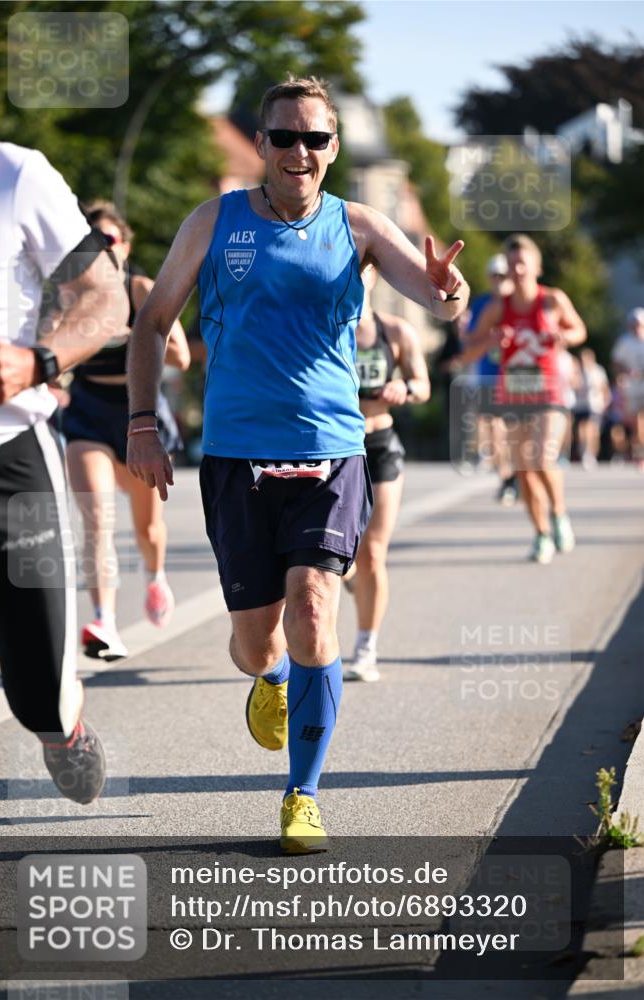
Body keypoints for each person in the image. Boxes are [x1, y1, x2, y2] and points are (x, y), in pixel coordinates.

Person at [126, 76, 468, 853]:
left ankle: (303, 794)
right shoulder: (215, 221)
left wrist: (450, 292)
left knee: (313, 606)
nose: (299, 152)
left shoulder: (358, 224)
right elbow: (151, 323)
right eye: (285, 137)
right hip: (236, 455)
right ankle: (270, 681)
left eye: (315, 138)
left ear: (333, 148)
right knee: (256, 642)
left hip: (331, 450)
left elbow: (436, 293)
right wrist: (143, 422)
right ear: (261, 143)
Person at [0, 136, 129, 797]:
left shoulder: (12, 174)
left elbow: (105, 298)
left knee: (41, 687)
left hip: (4, 456)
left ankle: (60, 728)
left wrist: (35, 362)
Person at [61, 202, 190, 660]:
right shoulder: (70, 296)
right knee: (97, 519)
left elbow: (182, 358)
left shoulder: (142, 290)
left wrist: (137, 330)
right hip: (89, 414)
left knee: (148, 528)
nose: (100, 249)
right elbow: (55, 365)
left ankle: (155, 578)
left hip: (141, 416)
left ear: (126, 246)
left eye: (108, 240)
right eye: (91, 242)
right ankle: (105, 623)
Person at [455, 234, 586, 564]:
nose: (516, 270)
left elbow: (578, 331)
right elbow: (470, 346)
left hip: (548, 392)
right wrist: (492, 340)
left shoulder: (552, 300)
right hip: (512, 392)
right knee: (524, 471)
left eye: (522, 264)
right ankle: (541, 534)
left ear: (536, 267)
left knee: (542, 459)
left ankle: (559, 515)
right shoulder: (499, 307)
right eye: (511, 265)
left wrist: (562, 335)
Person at [342, 263, 430, 682]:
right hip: (335, 449)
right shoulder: (323, 328)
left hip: (379, 445)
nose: (352, 276)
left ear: (374, 274)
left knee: (373, 550)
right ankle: (352, 576)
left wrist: (405, 389)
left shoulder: (395, 331)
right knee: (341, 560)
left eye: (360, 270)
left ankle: (365, 648)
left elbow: (423, 384)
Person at [465, 254, 517, 504]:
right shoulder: (482, 303)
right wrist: (491, 340)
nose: (499, 280)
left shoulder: (519, 303)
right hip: (488, 374)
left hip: (518, 377)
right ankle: (506, 477)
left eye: (503, 276)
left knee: (516, 431)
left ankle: (518, 474)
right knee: (494, 428)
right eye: (495, 276)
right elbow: (470, 340)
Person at [611, 307, 644, 470]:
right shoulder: (625, 342)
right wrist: (625, 373)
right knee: (637, 422)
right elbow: (616, 363)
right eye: (635, 324)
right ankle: (639, 452)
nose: (637, 327)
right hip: (632, 387)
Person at [572, 348, 610, 469]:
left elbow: (604, 388)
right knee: (581, 430)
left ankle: (591, 454)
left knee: (592, 430)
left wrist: (605, 403)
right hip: (580, 404)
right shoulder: (577, 371)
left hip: (594, 404)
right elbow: (573, 385)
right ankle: (583, 451)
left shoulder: (598, 371)